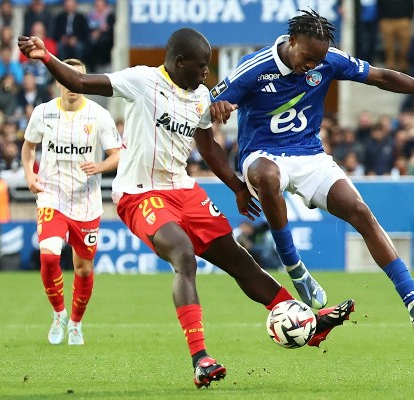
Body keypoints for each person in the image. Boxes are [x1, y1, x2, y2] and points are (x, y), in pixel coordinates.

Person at [18, 28, 355, 388]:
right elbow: (80, 81)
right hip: (139, 193)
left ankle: (307, 321)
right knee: (183, 255)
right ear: (179, 62)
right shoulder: (142, 81)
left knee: (238, 258)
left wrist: (238, 188)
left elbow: (208, 147)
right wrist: (46, 57)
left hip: (182, 189)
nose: (206, 75)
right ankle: (201, 359)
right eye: (201, 67)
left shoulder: (199, 97)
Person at [210, 9, 414, 333]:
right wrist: (219, 106)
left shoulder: (329, 60)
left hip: (310, 156)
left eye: (317, 60)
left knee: (361, 212)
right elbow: (206, 111)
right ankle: (296, 269)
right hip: (262, 156)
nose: (312, 66)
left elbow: (381, 77)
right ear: (292, 41)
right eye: (307, 57)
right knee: (268, 179)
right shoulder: (253, 68)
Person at [20, 58, 121, 346]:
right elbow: (28, 147)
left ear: (85, 83)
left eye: (78, 79)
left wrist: (99, 167)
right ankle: (59, 313)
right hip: (51, 194)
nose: (72, 85)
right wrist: (30, 174)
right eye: (67, 78)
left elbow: (116, 154)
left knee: (83, 269)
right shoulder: (43, 113)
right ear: (58, 81)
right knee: (49, 255)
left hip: (86, 201)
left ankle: (76, 323)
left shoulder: (99, 116)